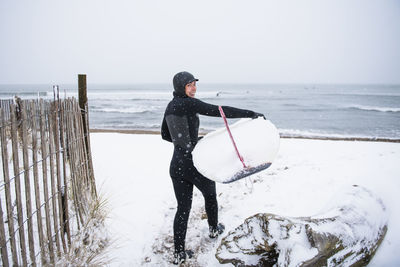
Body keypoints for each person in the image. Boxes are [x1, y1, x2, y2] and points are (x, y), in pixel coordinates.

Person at [161, 71, 264, 265]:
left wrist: (186, 142)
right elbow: (221, 111)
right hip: (194, 163)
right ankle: (214, 228)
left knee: (183, 208)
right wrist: (250, 114)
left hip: (177, 164)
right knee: (210, 195)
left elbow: (165, 135)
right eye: (189, 85)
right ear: (181, 86)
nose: (194, 88)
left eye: (194, 84)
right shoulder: (189, 103)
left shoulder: (171, 106)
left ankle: (178, 253)